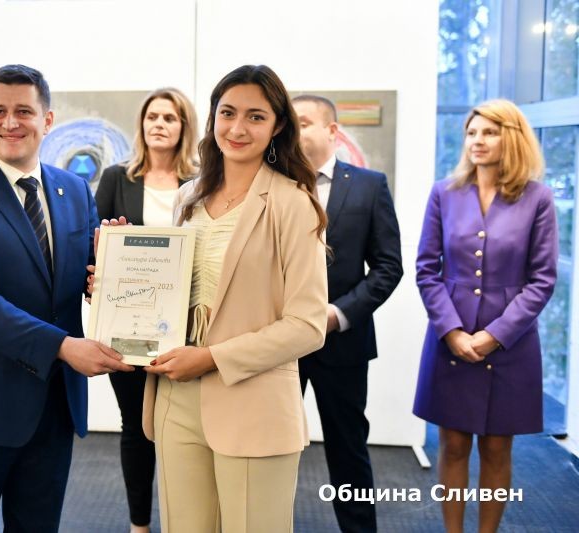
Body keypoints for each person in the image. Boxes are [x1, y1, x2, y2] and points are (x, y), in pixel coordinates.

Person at [0, 64, 132, 532]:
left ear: (47, 119)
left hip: (53, 403)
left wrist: (113, 268)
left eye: (23, 111)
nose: (9, 123)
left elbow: (83, 275)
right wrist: (63, 346)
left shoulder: (74, 189)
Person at [141, 64, 329, 532]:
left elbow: (308, 325)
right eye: (227, 113)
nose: (237, 128)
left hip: (253, 401)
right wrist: (118, 284)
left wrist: (211, 358)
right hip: (176, 397)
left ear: (278, 126)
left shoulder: (294, 203)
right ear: (212, 118)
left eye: (255, 116)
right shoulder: (187, 199)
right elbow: (175, 294)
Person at [414, 99, 557, 533]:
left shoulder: (538, 198)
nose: (477, 141)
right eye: (472, 133)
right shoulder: (444, 193)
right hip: (450, 337)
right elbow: (427, 270)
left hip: (511, 343)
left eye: (489, 133)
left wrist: (495, 335)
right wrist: (452, 331)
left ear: (512, 138)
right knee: (453, 445)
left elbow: (542, 279)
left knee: (497, 449)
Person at [292, 95, 403, 532]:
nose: (293, 130)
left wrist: (338, 314)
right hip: (277, 344)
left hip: (343, 344)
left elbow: (388, 266)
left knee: (348, 450)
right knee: (270, 449)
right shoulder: (271, 184)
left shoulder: (369, 186)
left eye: (303, 122)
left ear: (332, 131)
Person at [94, 87, 198, 533]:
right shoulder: (117, 178)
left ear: (183, 126)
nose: (159, 124)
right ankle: (139, 525)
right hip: (128, 326)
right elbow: (95, 246)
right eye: (152, 116)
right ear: (142, 124)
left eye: (169, 118)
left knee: (182, 432)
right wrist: (97, 274)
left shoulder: (202, 182)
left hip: (187, 330)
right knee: (136, 428)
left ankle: (184, 522)